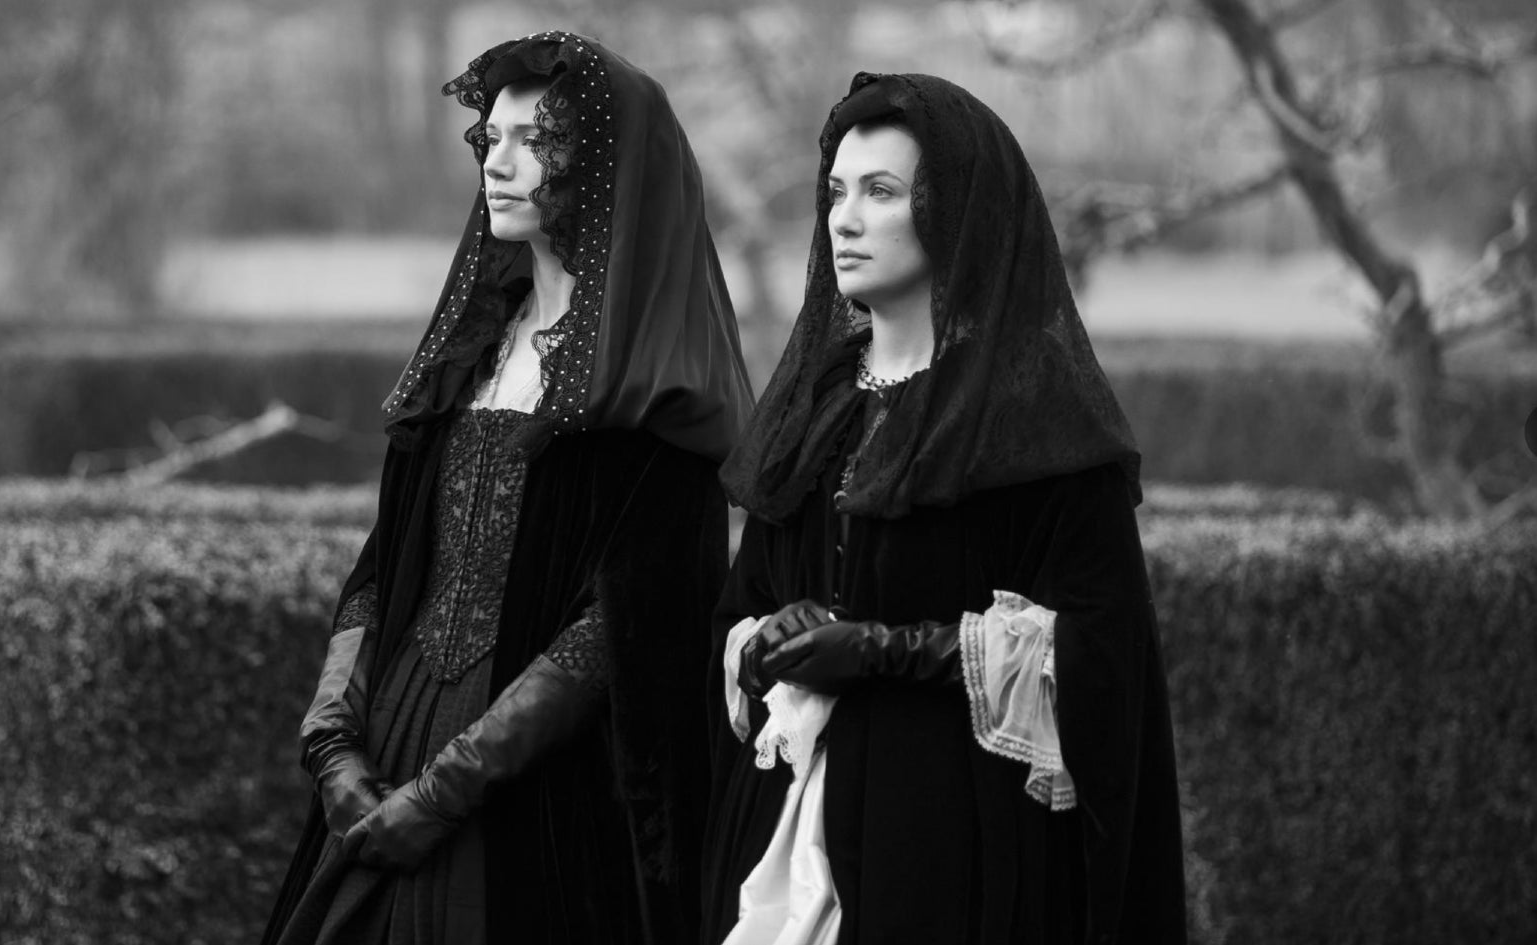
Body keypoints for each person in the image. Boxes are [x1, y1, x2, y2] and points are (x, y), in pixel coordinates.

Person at [260, 32, 753, 945]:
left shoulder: (652, 392)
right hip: (390, 739)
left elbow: (621, 630)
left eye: (536, 139)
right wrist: (332, 739)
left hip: (541, 793)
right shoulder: (465, 360)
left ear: (602, 166)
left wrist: (446, 789)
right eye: (491, 137)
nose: (500, 160)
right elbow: (386, 563)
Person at [703, 72, 1186, 945]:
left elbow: (1095, 653)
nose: (843, 219)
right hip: (788, 821)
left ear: (956, 210)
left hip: (952, 844)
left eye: (880, 192)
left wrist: (888, 651)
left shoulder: (1033, 425)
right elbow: (740, 606)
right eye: (836, 193)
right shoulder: (819, 408)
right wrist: (768, 637)